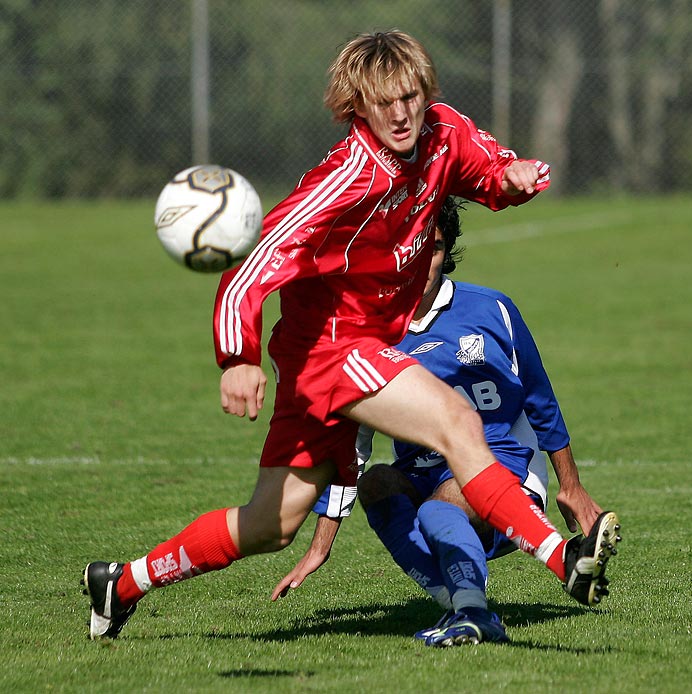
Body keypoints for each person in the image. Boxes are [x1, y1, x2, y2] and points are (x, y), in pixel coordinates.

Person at [82, 30, 619, 640]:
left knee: (271, 523)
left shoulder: (442, 134)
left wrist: (511, 178)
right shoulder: (346, 179)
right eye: (383, 101)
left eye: (410, 96)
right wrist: (237, 356)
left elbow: (486, 173)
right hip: (330, 352)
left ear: (425, 93)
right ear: (356, 106)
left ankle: (119, 582)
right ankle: (562, 558)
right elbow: (252, 268)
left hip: (347, 353)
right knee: (457, 422)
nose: (400, 113)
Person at [271, 198, 619, 645]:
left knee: (442, 505)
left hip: (504, 463)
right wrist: (321, 545)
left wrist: (570, 486)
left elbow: (540, 400)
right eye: (410, 247)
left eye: (432, 248)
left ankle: (475, 609)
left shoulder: (494, 311)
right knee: (379, 484)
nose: (421, 261)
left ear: (447, 249)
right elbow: (352, 444)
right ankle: (459, 602)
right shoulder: (371, 331)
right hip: (427, 468)